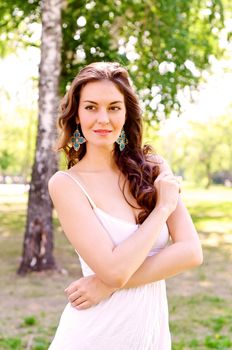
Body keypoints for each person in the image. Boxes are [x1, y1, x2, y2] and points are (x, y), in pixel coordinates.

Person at [48, 61, 203, 350]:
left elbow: (191, 252)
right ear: (77, 115)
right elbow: (114, 271)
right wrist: (162, 209)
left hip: (149, 335)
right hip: (94, 335)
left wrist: (104, 285)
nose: (103, 119)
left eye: (114, 107)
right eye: (91, 107)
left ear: (126, 113)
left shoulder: (154, 168)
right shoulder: (66, 184)